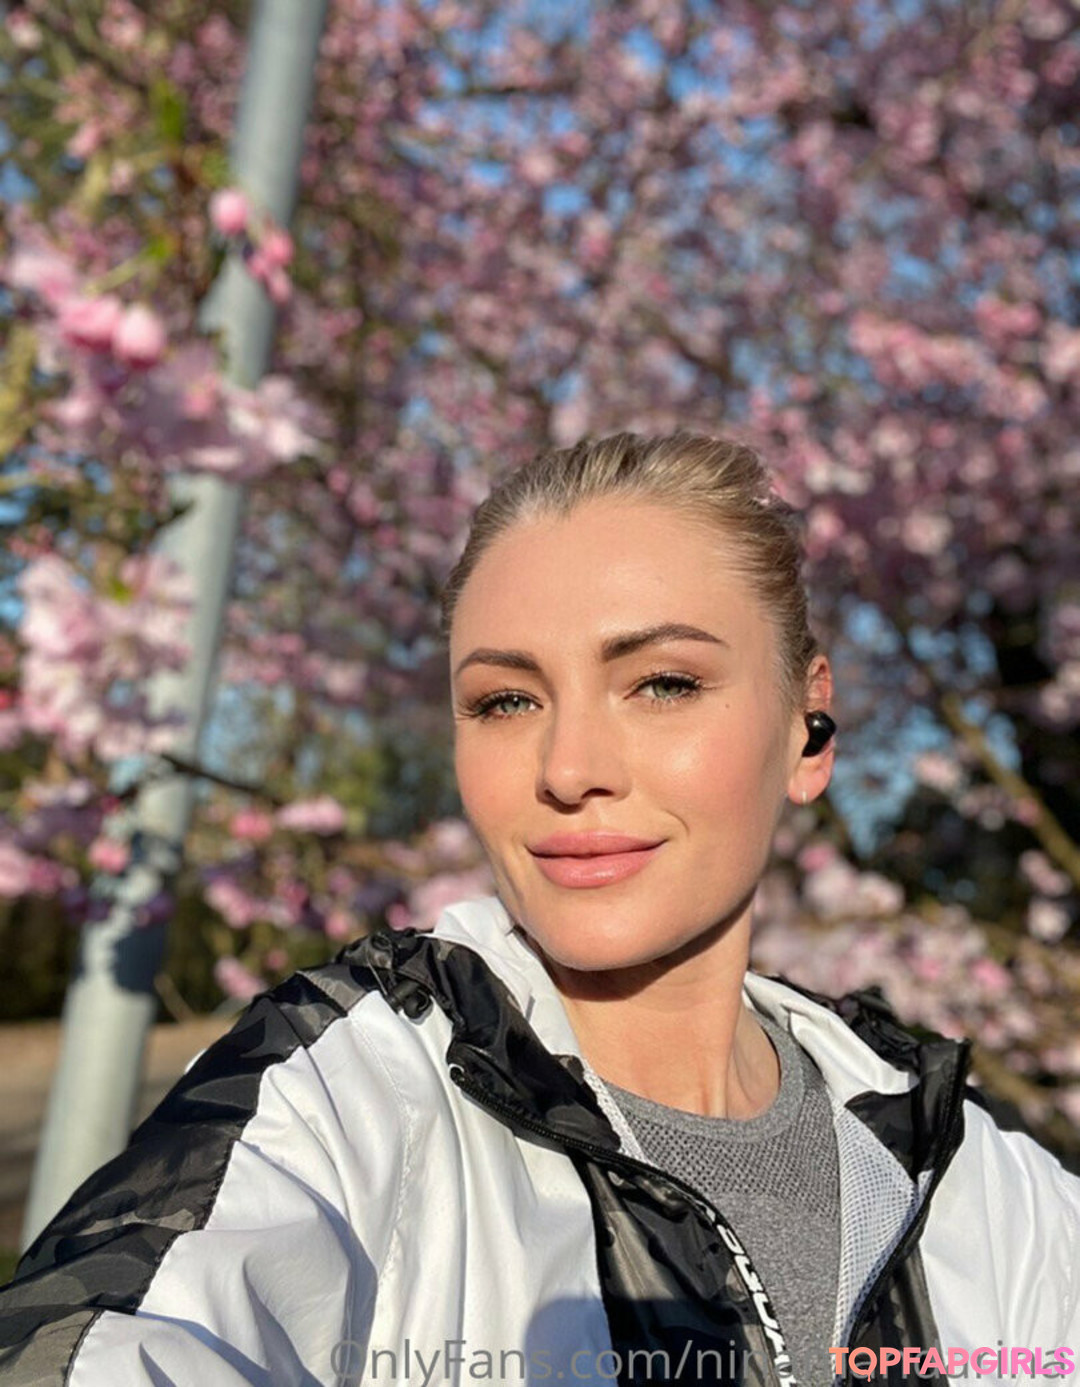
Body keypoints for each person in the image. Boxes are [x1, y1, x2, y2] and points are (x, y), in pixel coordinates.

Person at [1, 430, 1077, 1387]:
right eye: (506, 700)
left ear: (808, 729)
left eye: (663, 683)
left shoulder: (975, 1180)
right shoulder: (344, 1096)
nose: (567, 768)